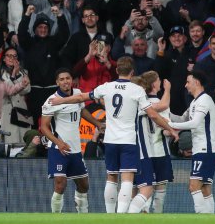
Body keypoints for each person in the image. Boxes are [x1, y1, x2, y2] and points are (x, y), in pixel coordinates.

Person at [49, 57, 179, 213]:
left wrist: (61, 101)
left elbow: (80, 97)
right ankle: (121, 216)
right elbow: (153, 115)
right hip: (128, 141)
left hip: (110, 140)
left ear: (117, 71)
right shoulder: (136, 90)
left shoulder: (106, 87)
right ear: (132, 72)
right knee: (127, 179)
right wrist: (170, 129)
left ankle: (110, 215)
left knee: (111, 177)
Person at [41, 68, 103, 213]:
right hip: (58, 149)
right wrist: (58, 143)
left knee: (84, 185)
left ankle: (82, 216)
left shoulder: (77, 94)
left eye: (67, 78)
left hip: (75, 149)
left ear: (72, 80)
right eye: (61, 79)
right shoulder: (52, 101)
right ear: (57, 82)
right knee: (60, 184)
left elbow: (82, 111)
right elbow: (44, 127)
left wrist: (97, 123)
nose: (65, 81)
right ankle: (56, 218)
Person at [168, 71, 215, 214]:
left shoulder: (205, 100)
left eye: (188, 82)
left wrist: (172, 125)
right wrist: (164, 114)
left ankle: (200, 218)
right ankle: (210, 219)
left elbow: (195, 123)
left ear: (197, 82)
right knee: (205, 189)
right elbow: (183, 119)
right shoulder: (195, 102)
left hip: (205, 150)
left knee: (194, 186)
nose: (186, 85)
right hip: (203, 150)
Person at [140, 71, 174, 213]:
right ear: (154, 84)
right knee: (160, 188)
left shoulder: (140, 104)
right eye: (159, 79)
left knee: (144, 187)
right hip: (160, 150)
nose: (161, 82)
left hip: (144, 153)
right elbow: (166, 130)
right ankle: (157, 215)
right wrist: (172, 130)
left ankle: (144, 212)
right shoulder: (161, 105)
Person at [0, 47, 32, 145]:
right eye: (9, 56)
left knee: (22, 142)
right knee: (8, 143)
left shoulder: (23, 72)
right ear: (3, 58)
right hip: (5, 112)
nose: (12, 58)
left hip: (21, 111)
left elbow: (27, 90)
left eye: (15, 56)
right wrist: (13, 75)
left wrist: (17, 75)